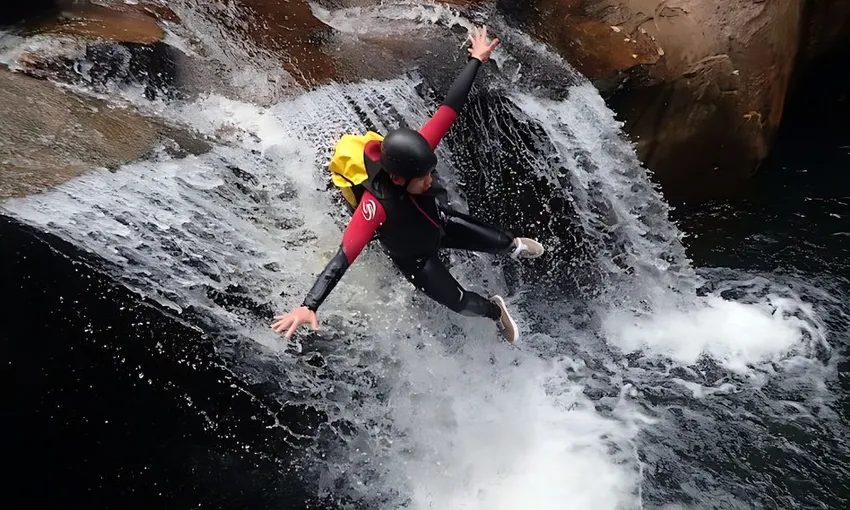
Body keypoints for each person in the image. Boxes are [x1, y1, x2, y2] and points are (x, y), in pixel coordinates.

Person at [272, 26, 544, 343]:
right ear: (398, 179)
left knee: (502, 241)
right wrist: (309, 305)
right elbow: (342, 259)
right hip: (416, 258)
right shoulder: (374, 207)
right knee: (459, 302)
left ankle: (513, 247)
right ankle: (495, 312)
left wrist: (476, 60)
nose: (431, 181)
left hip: (438, 223)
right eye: (424, 178)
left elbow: (450, 107)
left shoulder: (418, 150)